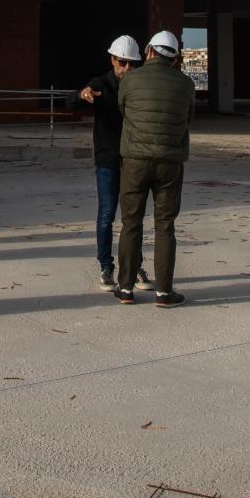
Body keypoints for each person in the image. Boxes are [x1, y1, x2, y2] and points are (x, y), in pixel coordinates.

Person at [112, 30, 195, 308]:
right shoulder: (186, 84)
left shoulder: (130, 79)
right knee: (165, 226)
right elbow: (188, 117)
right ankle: (164, 292)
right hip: (170, 163)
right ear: (175, 58)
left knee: (131, 223)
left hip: (135, 160)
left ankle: (125, 288)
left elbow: (124, 109)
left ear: (148, 51)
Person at [75, 35, 151, 291]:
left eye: (132, 64)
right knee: (107, 215)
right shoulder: (102, 84)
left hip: (133, 160)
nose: (127, 68)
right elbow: (79, 96)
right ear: (113, 60)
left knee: (133, 218)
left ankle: (135, 266)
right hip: (108, 161)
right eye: (122, 62)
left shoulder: (139, 85)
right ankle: (106, 267)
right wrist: (83, 94)